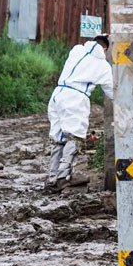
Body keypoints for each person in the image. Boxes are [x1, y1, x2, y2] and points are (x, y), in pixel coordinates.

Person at [46, 34, 113, 191]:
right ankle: (64, 177)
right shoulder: (103, 66)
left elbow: (91, 47)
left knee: (58, 138)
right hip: (75, 98)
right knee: (75, 137)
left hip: (58, 94)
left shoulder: (76, 50)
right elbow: (112, 92)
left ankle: (52, 178)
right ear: (105, 49)